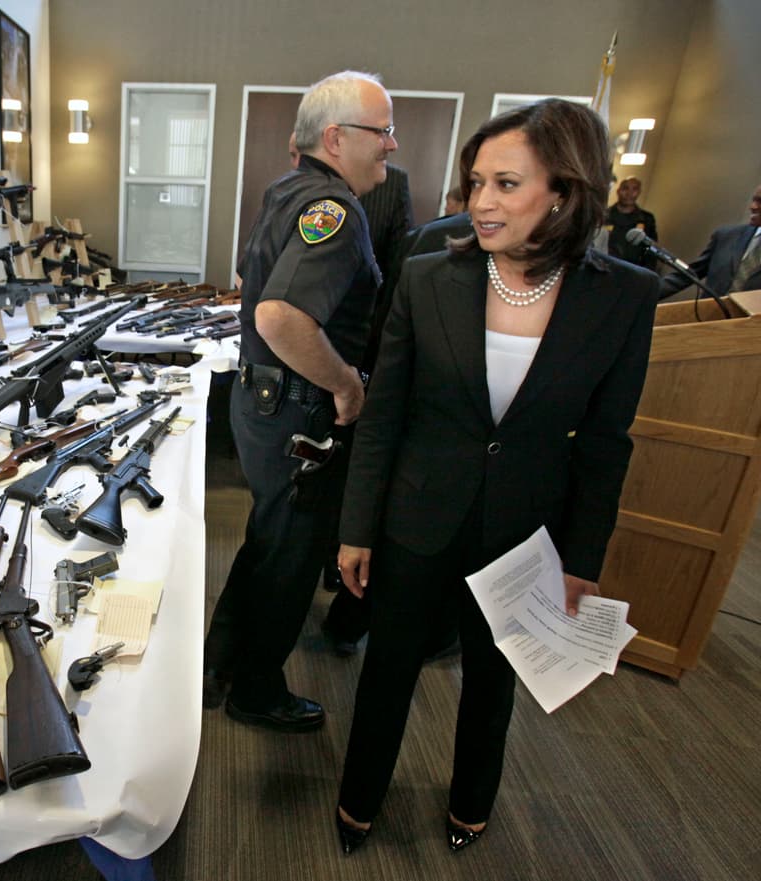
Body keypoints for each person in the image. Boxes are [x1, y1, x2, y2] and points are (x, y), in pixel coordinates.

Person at [331, 99, 658, 853]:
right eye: (476, 182)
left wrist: (583, 558)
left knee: (492, 679)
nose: (481, 201)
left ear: (564, 192)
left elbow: (606, 442)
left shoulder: (624, 296)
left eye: (506, 184)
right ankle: (357, 802)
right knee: (387, 671)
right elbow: (383, 418)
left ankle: (470, 805)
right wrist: (356, 528)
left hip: (526, 525)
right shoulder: (427, 276)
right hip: (417, 515)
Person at [202, 70, 395, 732]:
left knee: (269, 539)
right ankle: (256, 690)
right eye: (383, 131)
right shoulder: (335, 211)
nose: (391, 144)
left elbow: (253, 283)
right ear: (337, 138)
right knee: (290, 557)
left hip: (263, 399)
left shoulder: (288, 190)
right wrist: (346, 383)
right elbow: (280, 316)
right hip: (300, 410)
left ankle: (220, 661)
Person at [320, 161, 412, 650]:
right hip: (352, 357)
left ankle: (338, 564)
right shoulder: (311, 195)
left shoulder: (389, 186)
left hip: (362, 353)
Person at [659, 183, 761, 298]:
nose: (753, 206)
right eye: (754, 200)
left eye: (760, 202)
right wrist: (648, 292)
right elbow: (690, 274)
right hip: (708, 309)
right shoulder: (727, 236)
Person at [604, 177, 658, 269]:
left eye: (634, 189)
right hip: (603, 266)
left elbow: (651, 251)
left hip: (631, 270)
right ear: (618, 191)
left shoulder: (646, 219)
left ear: (639, 192)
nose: (629, 193)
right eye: (625, 188)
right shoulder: (604, 215)